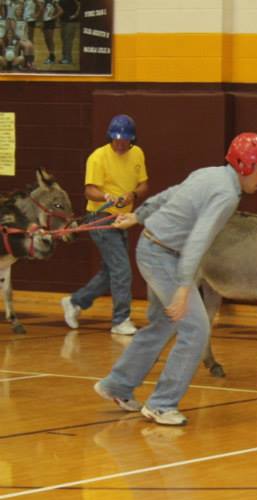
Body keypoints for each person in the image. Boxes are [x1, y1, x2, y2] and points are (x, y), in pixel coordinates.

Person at [92, 132, 257, 427]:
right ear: (244, 165)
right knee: (196, 328)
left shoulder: (210, 173)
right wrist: (182, 286)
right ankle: (162, 404)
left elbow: (170, 194)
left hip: (154, 248)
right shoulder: (227, 195)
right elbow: (199, 240)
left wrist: (139, 216)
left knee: (165, 323)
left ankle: (117, 385)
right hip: (163, 256)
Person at [62, 114, 149, 335]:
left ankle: (75, 302)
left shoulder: (137, 153)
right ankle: (121, 320)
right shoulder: (97, 157)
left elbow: (143, 184)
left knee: (111, 272)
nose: (120, 143)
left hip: (123, 220)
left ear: (132, 138)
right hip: (101, 219)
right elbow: (89, 190)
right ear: (111, 136)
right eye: (117, 139)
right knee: (122, 270)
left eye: (125, 139)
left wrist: (132, 195)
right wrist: (106, 196)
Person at [56, 0, 78, 64]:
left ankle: (68, 59)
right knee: (64, 40)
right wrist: (58, 20)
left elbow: (80, 5)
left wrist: (76, 15)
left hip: (71, 22)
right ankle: (64, 58)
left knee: (68, 40)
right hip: (63, 21)